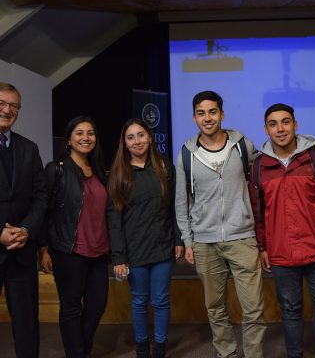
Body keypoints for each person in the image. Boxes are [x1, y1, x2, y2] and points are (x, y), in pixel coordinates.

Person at [248, 103, 315, 358]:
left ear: (295, 125)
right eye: (273, 124)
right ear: (266, 129)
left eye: (286, 122)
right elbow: (258, 213)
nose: (280, 129)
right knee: (290, 311)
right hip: (282, 253)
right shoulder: (258, 167)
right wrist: (263, 247)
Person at [175, 90, 266, 358]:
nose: (207, 118)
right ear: (194, 118)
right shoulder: (186, 155)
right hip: (204, 242)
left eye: (212, 111)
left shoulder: (242, 146)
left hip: (242, 238)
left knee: (254, 308)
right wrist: (188, 240)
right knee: (215, 308)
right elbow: (182, 203)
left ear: (222, 114)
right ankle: (226, 353)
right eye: (201, 113)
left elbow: (261, 180)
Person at [107, 118, 184, 358]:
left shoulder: (165, 167)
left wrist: (178, 240)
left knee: (160, 300)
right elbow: (115, 222)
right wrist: (119, 257)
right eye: (131, 137)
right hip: (134, 251)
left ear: (150, 137)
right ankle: (142, 348)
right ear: (125, 143)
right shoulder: (118, 174)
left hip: (163, 247)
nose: (137, 141)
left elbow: (174, 207)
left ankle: (159, 347)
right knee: (139, 300)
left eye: (141, 135)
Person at [38, 116, 109, 358]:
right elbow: (44, 211)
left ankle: (81, 349)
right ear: (69, 139)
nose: (85, 138)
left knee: (97, 305)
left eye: (90, 133)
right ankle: (77, 353)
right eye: (79, 133)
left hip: (99, 252)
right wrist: (43, 248)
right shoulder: (55, 169)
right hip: (68, 251)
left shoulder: (101, 171)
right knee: (70, 307)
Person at [0, 82, 47, 358]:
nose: (7, 110)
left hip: (21, 250)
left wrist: (27, 229)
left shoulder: (29, 148)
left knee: (27, 324)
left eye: (14, 106)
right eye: (2, 104)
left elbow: (40, 197)